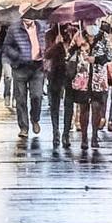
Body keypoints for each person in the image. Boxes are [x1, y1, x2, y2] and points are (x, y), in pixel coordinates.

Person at [2, 15, 48, 145]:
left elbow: (48, 41)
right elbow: (6, 46)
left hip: (37, 67)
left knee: (37, 96)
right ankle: (24, 127)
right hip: (20, 67)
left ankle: (35, 119)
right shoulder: (14, 28)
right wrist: (17, 55)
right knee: (20, 98)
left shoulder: (42, 26)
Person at [68, 19, 111, 156]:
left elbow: (110, 55)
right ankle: (84, 137)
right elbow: (69, 53)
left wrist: (97, 59)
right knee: (84, 107)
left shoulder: (104, 36)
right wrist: (77, 46)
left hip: (98, 77)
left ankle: (94, 135)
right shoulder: (79, 35)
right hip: (83, 77)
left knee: (97, 107)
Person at [45, 22, 73, 151]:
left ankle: (66, 134)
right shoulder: (50, 34)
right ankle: (55, 131)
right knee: (54, 105)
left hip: (72, 74)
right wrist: (57, 44)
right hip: (56, 73)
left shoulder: (75, 32)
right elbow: (47, 54)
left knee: (69, 104)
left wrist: (72, 45)